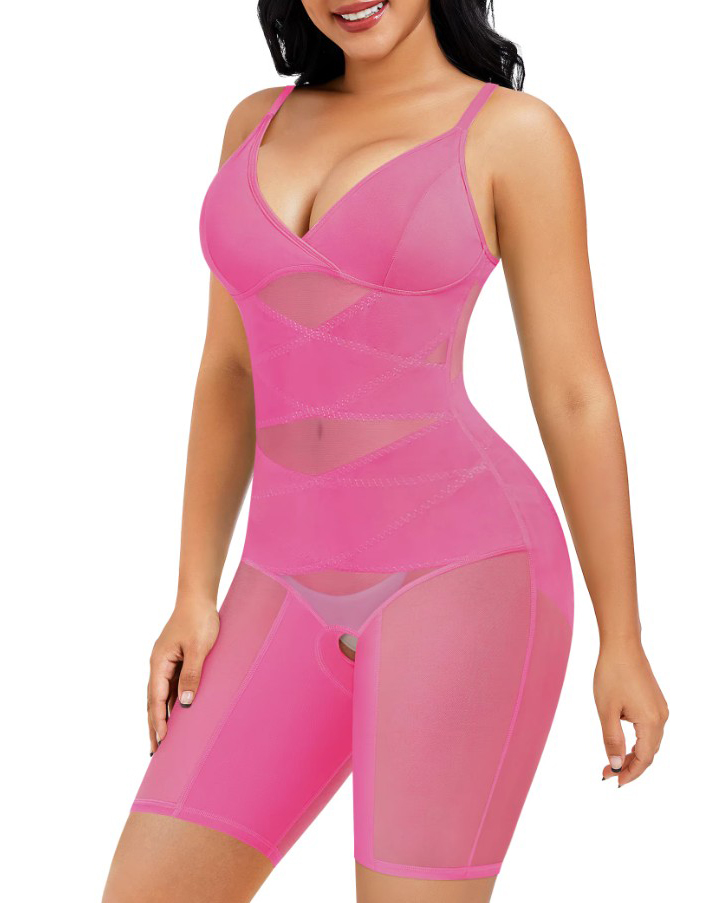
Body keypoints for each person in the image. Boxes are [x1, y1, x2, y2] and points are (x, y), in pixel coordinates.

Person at [102, 2, 669, 901]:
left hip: (466, 573)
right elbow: (229, 370)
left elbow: (574, 394)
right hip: (279, 581)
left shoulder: (513, 135)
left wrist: (623, 635)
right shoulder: (254, 125)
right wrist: (193, 593)